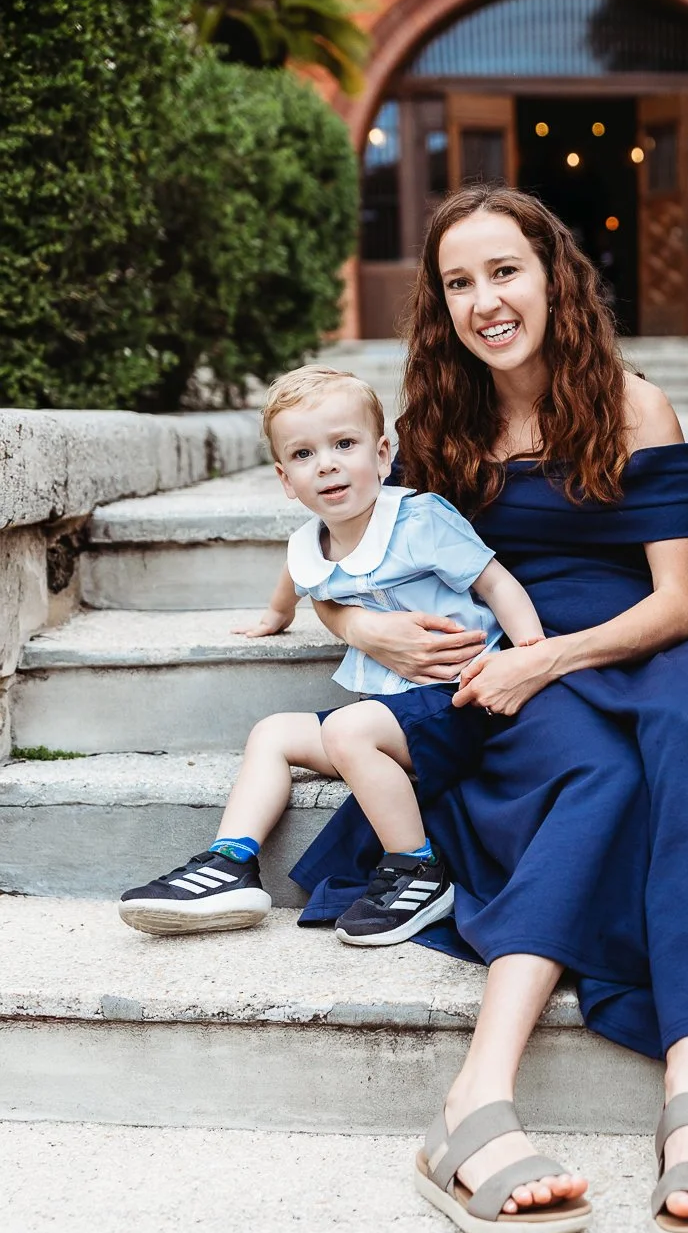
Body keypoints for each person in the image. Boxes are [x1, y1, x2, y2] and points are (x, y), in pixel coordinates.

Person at [293, 185, 688, 1233]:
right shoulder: (433, 423)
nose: (485, 301)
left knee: (681, 741)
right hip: (510, 652)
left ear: (554, 276)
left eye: (504, 271)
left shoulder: (634, 405)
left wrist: (545, 657)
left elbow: (678, 603)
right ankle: (477, 1095)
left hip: (639, 641)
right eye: (459, 282)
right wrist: (365, 630)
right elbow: (344, 555)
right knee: (602, 775)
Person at [118, 366, 545, 946]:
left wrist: (529, 656)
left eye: (344, 444)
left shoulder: (420, 520)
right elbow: (296, 577)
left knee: (348, 730)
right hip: (391, 718)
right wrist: (276, 616)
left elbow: (497, 583)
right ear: (285, 478)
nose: (326, 464)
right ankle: (230, 862)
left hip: (460, 699)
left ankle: (418, 869)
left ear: (383, 453)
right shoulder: (309, 541)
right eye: (303, 454)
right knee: (272, 733)